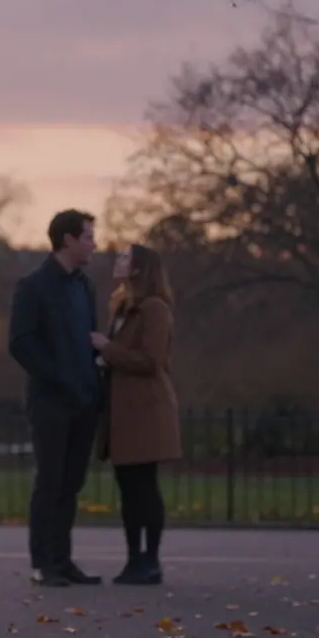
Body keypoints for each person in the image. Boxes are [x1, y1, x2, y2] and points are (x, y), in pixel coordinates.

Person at [7, 209, 103, 588]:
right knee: (49, 480)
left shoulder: (84, 286)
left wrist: (92, 387)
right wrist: (59, 376)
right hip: (51, 401)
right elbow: (20, 343)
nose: (94, 243)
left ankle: (62, 561)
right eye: (89, 236)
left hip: (85, 400)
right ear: (68, 240)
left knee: (71, 483)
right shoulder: (33, 286)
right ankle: (42, 562)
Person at [92, 244, 181, 585]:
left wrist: (106, 348)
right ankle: (133, 559)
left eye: (125, 258)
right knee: (128, 488)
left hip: (146, 410)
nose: (118, 261)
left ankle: (151, 560)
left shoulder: (154, 309)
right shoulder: (122, 307)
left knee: (145, 486)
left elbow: (150, 361)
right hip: (122, 412)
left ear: (141, 268)